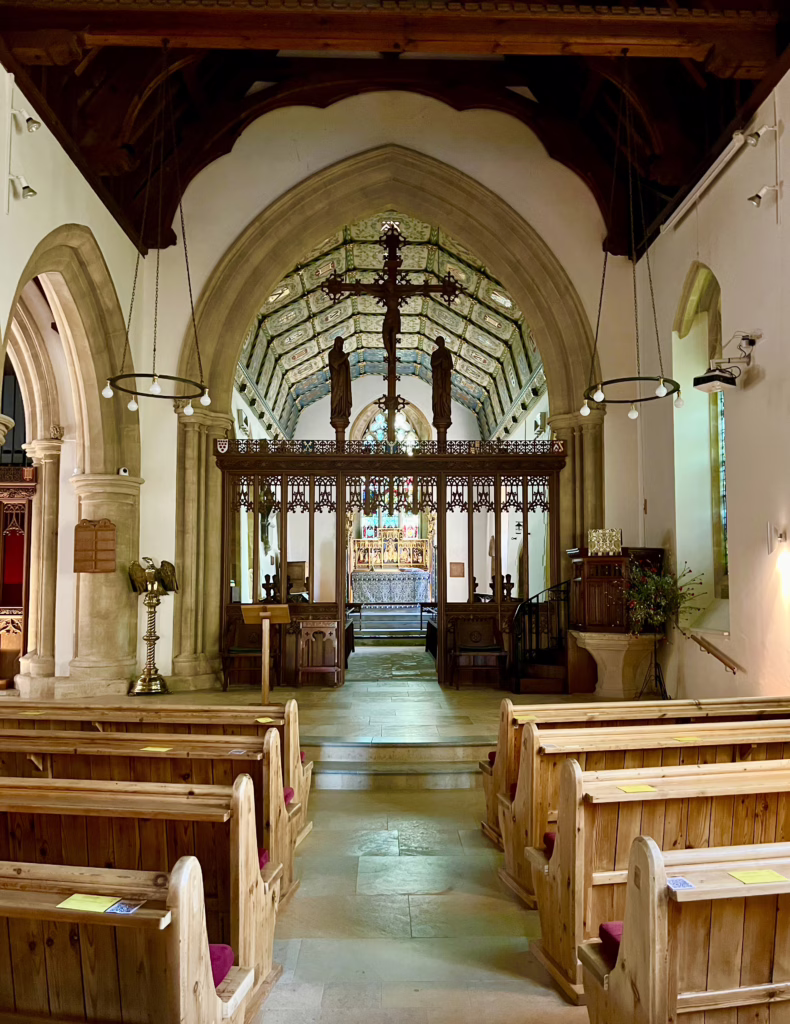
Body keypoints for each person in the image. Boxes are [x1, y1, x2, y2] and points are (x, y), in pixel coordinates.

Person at [328, 335, 352, 428]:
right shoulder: (332, 353)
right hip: (337, 380)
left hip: (344, 381)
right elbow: (335, 364)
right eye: (339, 343)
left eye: (342, 344)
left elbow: (346, 367)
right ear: (335, 343)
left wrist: (345, 359)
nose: (341, 345)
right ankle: (336, 412)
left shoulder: (342, 354)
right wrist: (345, 358)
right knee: (336, 396)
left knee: (343, 398)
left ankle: (343, 412)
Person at [431, 335, 453, 427]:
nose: (441, 343)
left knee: (445, 395)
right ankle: (439, 413)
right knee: (438, 396)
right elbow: (433, 364)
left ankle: (445, 413)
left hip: (445, 378)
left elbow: (451, 366)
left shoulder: (447, 352)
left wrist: (445, 363)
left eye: (442, 341)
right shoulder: (435, 354)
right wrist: (440, 360)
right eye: (439, 342)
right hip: (438, 379)